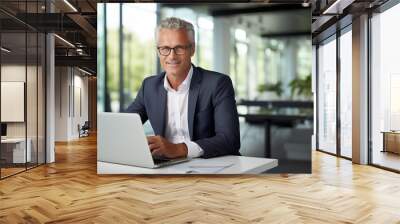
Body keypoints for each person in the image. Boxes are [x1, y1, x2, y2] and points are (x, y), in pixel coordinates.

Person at [125, 17, 240, 159]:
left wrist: (179, 149)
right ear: (158, 51)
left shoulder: (217, 84)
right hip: (167, 166)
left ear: (192, 49)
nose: (172, 56)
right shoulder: (149, 86)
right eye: (165, 48)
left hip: (211, 165)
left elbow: (230, 140)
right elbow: (125, 125)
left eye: (179, 48)